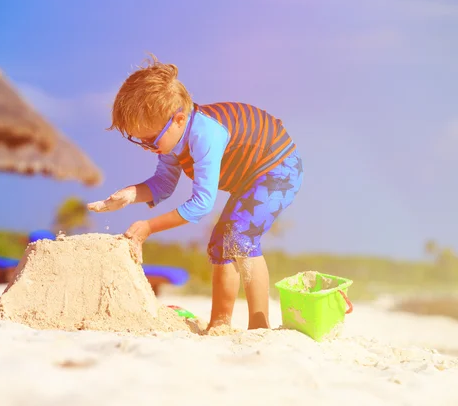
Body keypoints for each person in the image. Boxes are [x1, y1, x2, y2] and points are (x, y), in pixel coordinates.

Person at [88, 54, 303, 330]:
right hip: (249, 177)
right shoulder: (172, 141)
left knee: (240, 235)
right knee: (220, 244)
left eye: (150, 140)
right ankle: (220, 324)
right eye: (138, 140)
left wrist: (148, 227)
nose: (147, 147)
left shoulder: (205, 135)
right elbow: (162, 185)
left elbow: (202, 204)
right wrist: (130, 194)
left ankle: (259, 327)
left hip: (279, 167)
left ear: (178, 119)